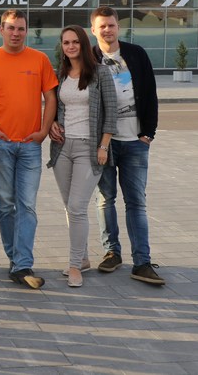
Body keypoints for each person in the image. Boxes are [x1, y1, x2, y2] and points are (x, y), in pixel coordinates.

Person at [0, 9, 58, 290]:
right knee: (5, 205)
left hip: (30, 145)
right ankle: (16, 259)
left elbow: (50, 97)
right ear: (1, 29)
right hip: (0, 144)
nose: (16, 33)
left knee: (27, 205)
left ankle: (22, 263)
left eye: (21, 28)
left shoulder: (39, 59)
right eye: (11, 28)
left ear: (26, 31)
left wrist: (43, 131)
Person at [89, 6, 164, 285]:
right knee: (105, 199)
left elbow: (151, 93)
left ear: (118, 27)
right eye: (102, 26)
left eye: (111, 25)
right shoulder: (88, 59)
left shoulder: (136, 54)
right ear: (93, 30)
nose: (107, 30)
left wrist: (148, 134)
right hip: (104, 144)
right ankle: (112, 252)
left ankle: (142, 261)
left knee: (136, 202)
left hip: (135, 142)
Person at [47, 26, 117, 288]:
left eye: (75, 42)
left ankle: (75, 265)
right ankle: (84, 257)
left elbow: (111, 111)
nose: (71, 46)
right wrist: (53, 123)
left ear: (84, 44)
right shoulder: (61, 74)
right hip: (62, 148)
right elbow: (56, 107)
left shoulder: (100, 73)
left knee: (77, 206)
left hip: (89, 148)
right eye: (66, 42)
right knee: (71, 207)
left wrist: (104, 146)